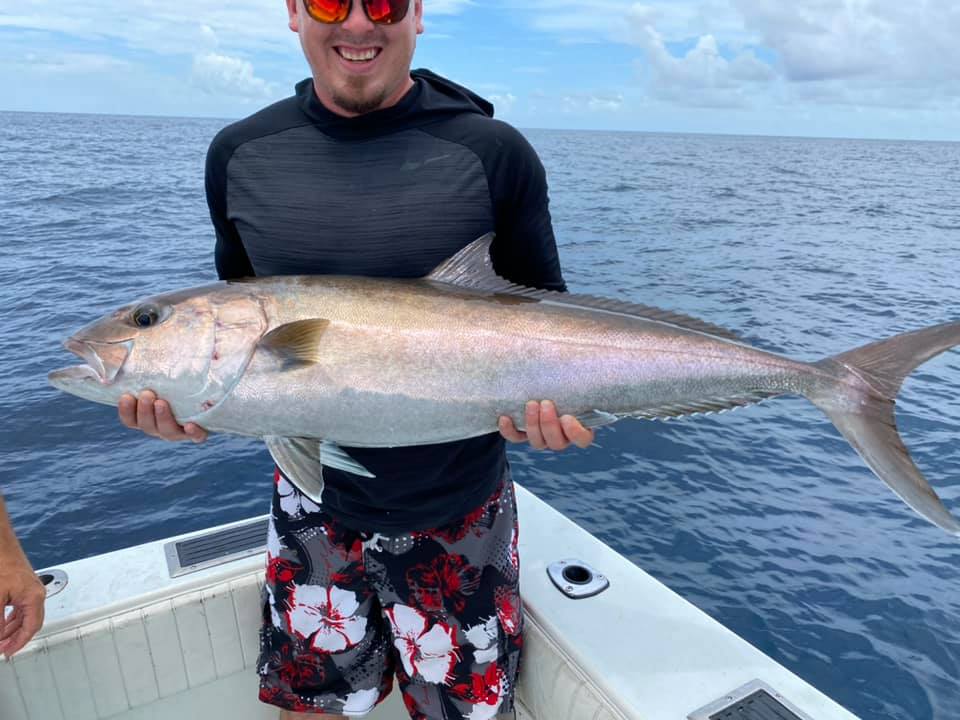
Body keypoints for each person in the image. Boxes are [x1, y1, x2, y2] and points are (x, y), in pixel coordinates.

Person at [0, 0, 594, 717]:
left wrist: (554, 413)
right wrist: (190, 404)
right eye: (328, 2)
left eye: (383, 3)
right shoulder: (240, 155)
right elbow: (243, 314)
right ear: (292, 11)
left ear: (417, 14)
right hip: (307, 507)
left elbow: (549, 321)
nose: (356, 24)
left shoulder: (493, 152)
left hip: (462, 510)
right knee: (309, 709)